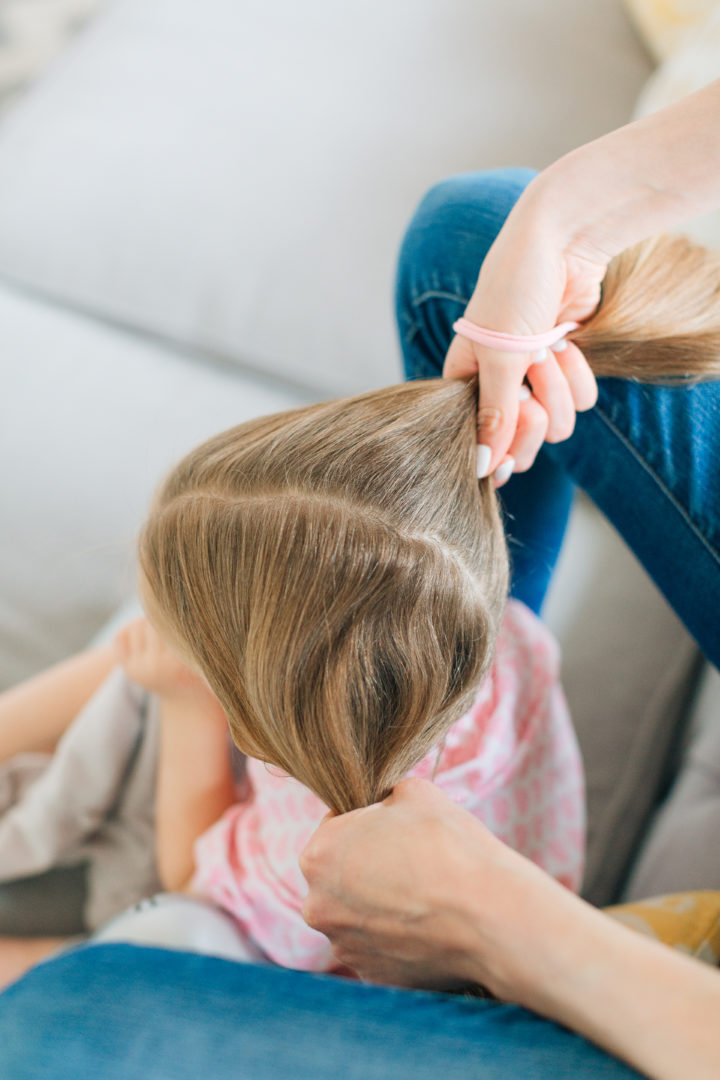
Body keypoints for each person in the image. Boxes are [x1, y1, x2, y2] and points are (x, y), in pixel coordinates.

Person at [2, 79, 720, 1080]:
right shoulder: (473, 666)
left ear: (265, 714)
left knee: (79, 997)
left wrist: (189, 715)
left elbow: (187, 877)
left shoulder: (308, 849)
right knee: (474, 238)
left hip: (300, 953)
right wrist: (564, 213)